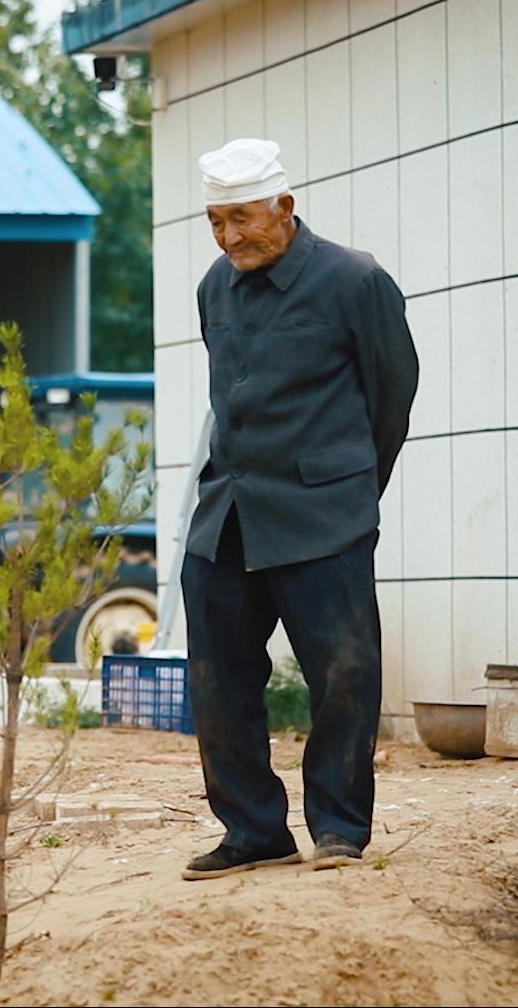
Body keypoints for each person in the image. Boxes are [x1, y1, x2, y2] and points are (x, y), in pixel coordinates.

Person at [180, 137, 418, 880]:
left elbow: (391, 400)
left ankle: (339, 827)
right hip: (227, 514)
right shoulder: (213, 288)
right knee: (216, 679)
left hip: (324, 517)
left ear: (284, 205)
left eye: (242, 218)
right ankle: (253, 830)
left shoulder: (355, 281)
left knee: (343, 675)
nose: (228, 238)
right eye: (215, 222)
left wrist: (347, 490)